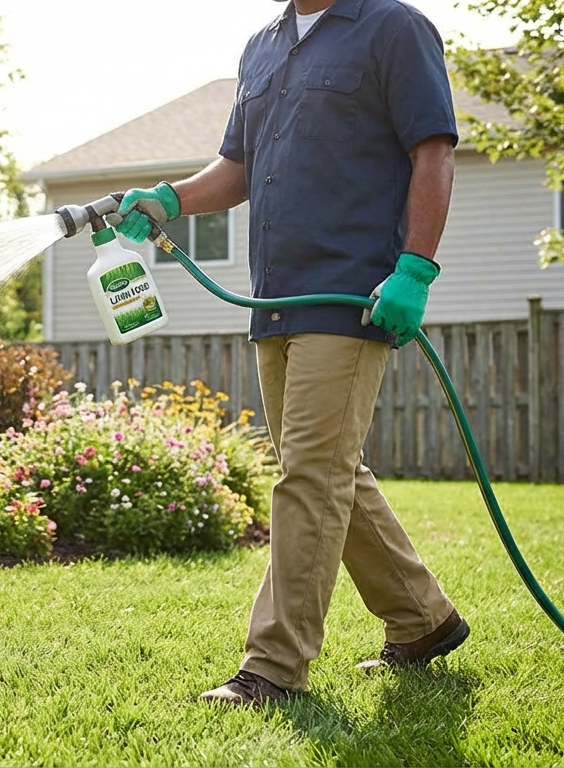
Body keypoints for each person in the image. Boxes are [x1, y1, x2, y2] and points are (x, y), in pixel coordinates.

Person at [115, 0, 468, 707]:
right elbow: (236, 168)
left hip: (352, 293)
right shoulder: (263, 47)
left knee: (310, 474)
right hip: (273, 295)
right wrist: (169, 199)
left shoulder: (392, 27)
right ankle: (423, 619)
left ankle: (273, 668)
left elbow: (433, 150)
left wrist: (415, 270)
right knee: (326, 468)